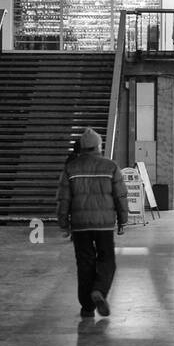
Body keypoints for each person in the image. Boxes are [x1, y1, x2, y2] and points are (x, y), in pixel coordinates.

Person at [56, 127, 127, 319]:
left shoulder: (71, 168)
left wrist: (63, 221)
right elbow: (120, 195)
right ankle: (99, 291)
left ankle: (87, 307)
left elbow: (63, 198)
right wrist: (123, 220)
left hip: (80, 225)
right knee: (107, 260)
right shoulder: (110, 166)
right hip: (104, 224)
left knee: (85, 263)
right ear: (98, 146)